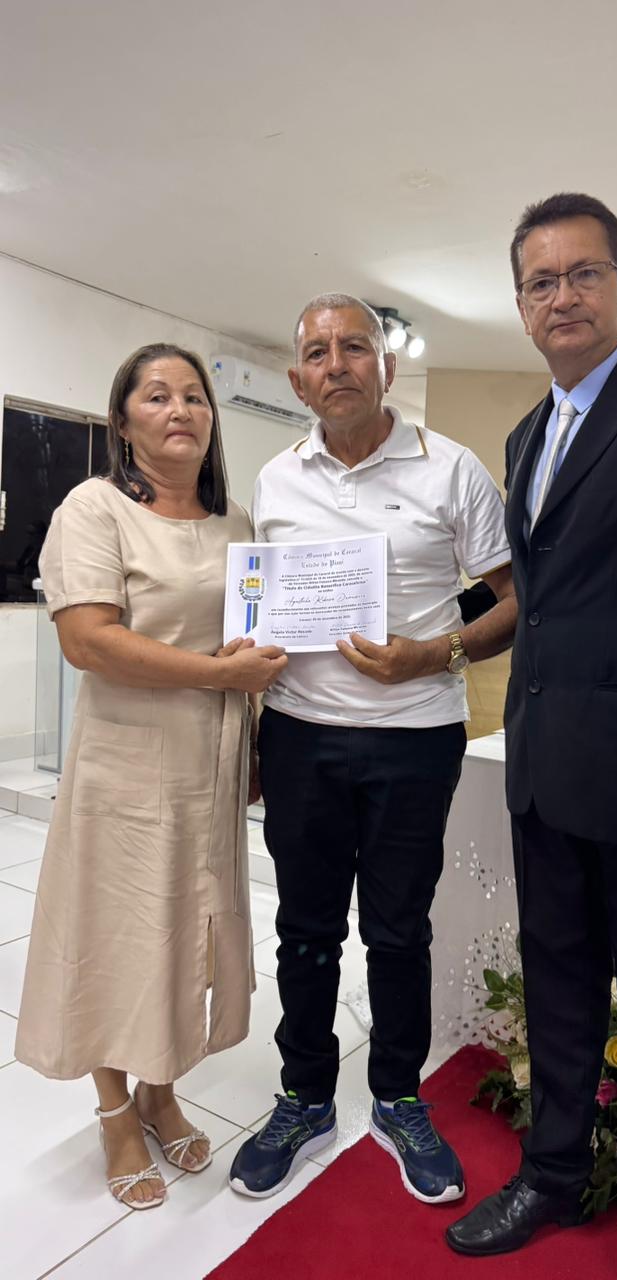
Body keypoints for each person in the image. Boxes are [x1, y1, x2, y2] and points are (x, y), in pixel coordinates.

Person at [445, 194, 617, 1280]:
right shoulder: (529, 434)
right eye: (541, 281)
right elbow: (549, 604)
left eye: (584, 273)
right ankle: (550, 1176)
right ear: (521, 306)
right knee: (558, 996)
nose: (563, 296)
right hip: (547, 777)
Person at [229, 293, 516, 1205]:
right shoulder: (275, 480)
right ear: (296, 379)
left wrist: (434, 654)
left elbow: (515, 597)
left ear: (386, 366)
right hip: (300, 736)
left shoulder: (451, 467)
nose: (337, 365)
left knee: (398, 929)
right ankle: (306, 1096)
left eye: (355, 347)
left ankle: (397, 1095)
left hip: (415, 739)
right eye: (318, 353)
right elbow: (257, 605)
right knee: (304, 928)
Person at [15, 342, 287, 1209]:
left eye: (195, 396)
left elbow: (247, 642)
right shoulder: (93, 509)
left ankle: (161, 1090)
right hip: (125, 765)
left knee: (185, 933)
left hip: (210, 764)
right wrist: (218, 675)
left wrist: (252, 740)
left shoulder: (235, 522)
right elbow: (88, 640)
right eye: (158, 396)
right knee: (116, 931)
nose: (180, 410)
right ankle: (114, 1112)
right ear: (123, 422)